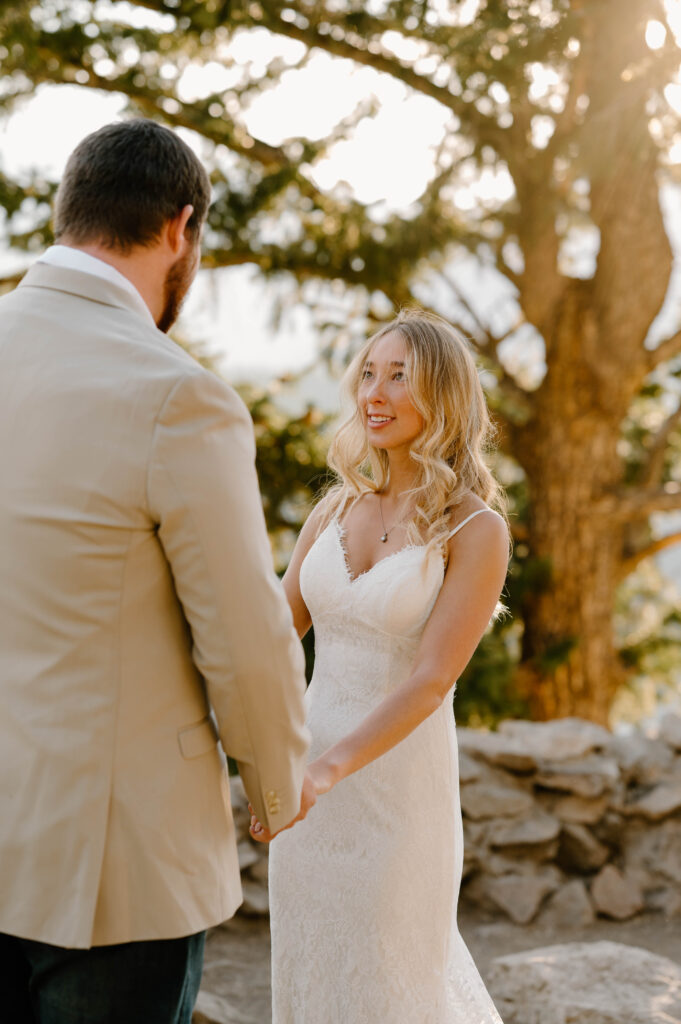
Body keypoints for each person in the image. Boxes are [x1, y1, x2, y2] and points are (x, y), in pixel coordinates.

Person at [0, 118, 315, 1024]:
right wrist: (274, 790)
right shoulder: (176, 394)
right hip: (111, 866)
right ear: (181, 228)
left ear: (68, 214)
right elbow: (245, 639)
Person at [254, 309, 509, 1022]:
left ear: (444, 395)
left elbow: (431, 680)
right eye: (369, 372)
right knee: (312, 971)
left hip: (391, 791)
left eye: (400, 377)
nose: (376, 392)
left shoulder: (474, 530)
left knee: (391, 978)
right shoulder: (333, 508)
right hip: (301, 788)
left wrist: (328, 770)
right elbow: (275, 635)